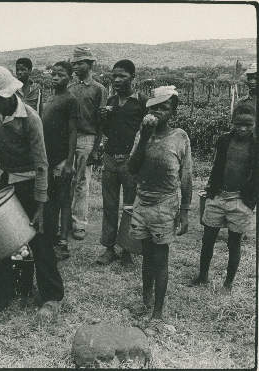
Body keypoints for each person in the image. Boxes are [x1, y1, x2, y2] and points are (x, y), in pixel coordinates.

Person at [0, 65, 64, 322]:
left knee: (40, 241)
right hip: (5, 182)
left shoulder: (30, 119)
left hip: (31, 185)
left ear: (9, 96)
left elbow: (42, 164)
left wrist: (42, 206)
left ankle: (52, 297)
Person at [127, 86, 192, 323]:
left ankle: (158, 311)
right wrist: (144, 136)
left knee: (160, 257)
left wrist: (184, 211)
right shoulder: (142, 135)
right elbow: (132, 168)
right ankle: (146, 299)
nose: (159, 112)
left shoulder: (180, 137)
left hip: (165, 204)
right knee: (146, 254)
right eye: (154, 108)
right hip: (143, 201)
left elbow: (186, 177)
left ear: (173, 112)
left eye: (164, 108)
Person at [189, 104, 256, 293]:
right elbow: (218, 166)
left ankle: (228, 283)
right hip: (218, 196)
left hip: (241, 201)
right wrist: (211, 190)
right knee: (207, 239)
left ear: (254, 124)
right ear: (232, 122)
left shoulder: (256, 145)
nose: (242, 128)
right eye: (238, 124)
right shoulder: (224, 140)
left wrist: (250, 202)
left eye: (248, 124)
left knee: (234, 243)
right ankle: (202, 276)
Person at [97, 60, 148, 266]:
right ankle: (109, 248)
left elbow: (146, 133)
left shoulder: (142, 102)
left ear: (133, 77)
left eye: (122, 76)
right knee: (109, 205)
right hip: (110, 159)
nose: (117, 80)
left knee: (130, 206)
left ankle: (127, 249)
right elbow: (108, 132)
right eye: (114, 76)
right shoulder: (110, 101)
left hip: (131, 161)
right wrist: (103, 119)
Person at [68, 47, 108, 241]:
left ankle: (79, 223)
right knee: (67, 180)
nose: (76, 66)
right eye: (74, 63)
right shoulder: (70, 88)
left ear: (90, 64)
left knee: (82, 182)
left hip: (87, 139)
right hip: (69, 139)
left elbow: (101, 122)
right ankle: (65, 220)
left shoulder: (99, 89)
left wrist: (96, 148)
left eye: (80, 62)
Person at [41, 61, 79, 261]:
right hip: (47, 158)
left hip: (61, 159)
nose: (56, 77)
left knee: (63, 200)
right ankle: (51, 238)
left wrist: (69, 162)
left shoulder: (70, 100)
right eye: (54, 74)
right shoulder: (50, 98)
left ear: (70, 78)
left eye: (61, 75)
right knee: (50, 200)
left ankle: (63, 243)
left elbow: (73, 131)